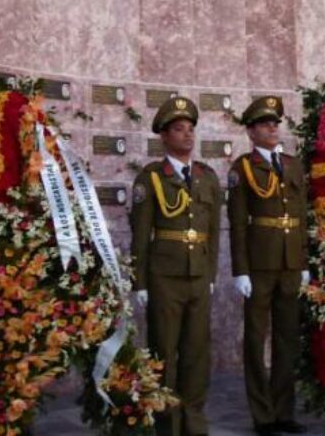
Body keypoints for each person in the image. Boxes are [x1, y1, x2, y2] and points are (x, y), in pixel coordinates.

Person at [129, 97, 221, 436]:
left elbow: (212, 233)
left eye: (191, 129)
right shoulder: (152, 177)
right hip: (164, 277)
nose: (187, 135)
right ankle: (167, 424)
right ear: (164, 137)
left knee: (197, 352)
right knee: (164, 352)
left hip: (198, 275)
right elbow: (140, 234)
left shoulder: (206, 176)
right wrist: (139, 282)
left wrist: (210, 275)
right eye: (179, 129)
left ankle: (194, 423)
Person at [228, 96, 309, 436]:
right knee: (256, 339)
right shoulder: (242, 169)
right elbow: (238, 223)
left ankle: (284, 410)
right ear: (251, 131)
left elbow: (301, 218)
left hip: (290, 263)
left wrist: (303, 262)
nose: (273, 128)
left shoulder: (291, 165)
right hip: (259, 266)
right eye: (264, 124)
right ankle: (262, 415)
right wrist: (240, 270)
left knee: (288, 339)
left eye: (275, 123)